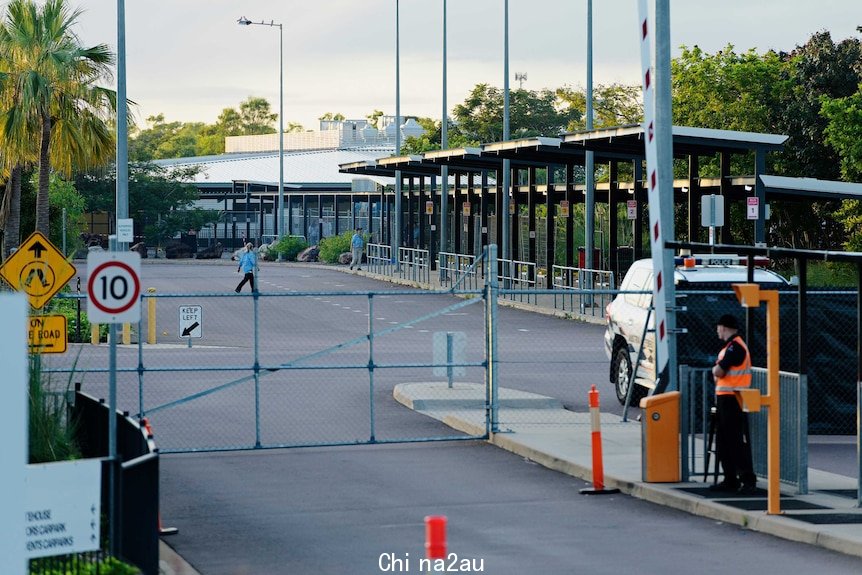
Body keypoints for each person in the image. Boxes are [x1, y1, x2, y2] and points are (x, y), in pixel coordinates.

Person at [710, 314, 757, 493]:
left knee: (735, 441)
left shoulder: (735, 347)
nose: (717, 331)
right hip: (726, 398)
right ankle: (730, 479)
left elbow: (719, 371)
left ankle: (747, 479)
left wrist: (715, 370)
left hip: (733, 399)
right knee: (723, 441)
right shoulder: (730, 346)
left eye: (718, 327)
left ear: (723, 327)